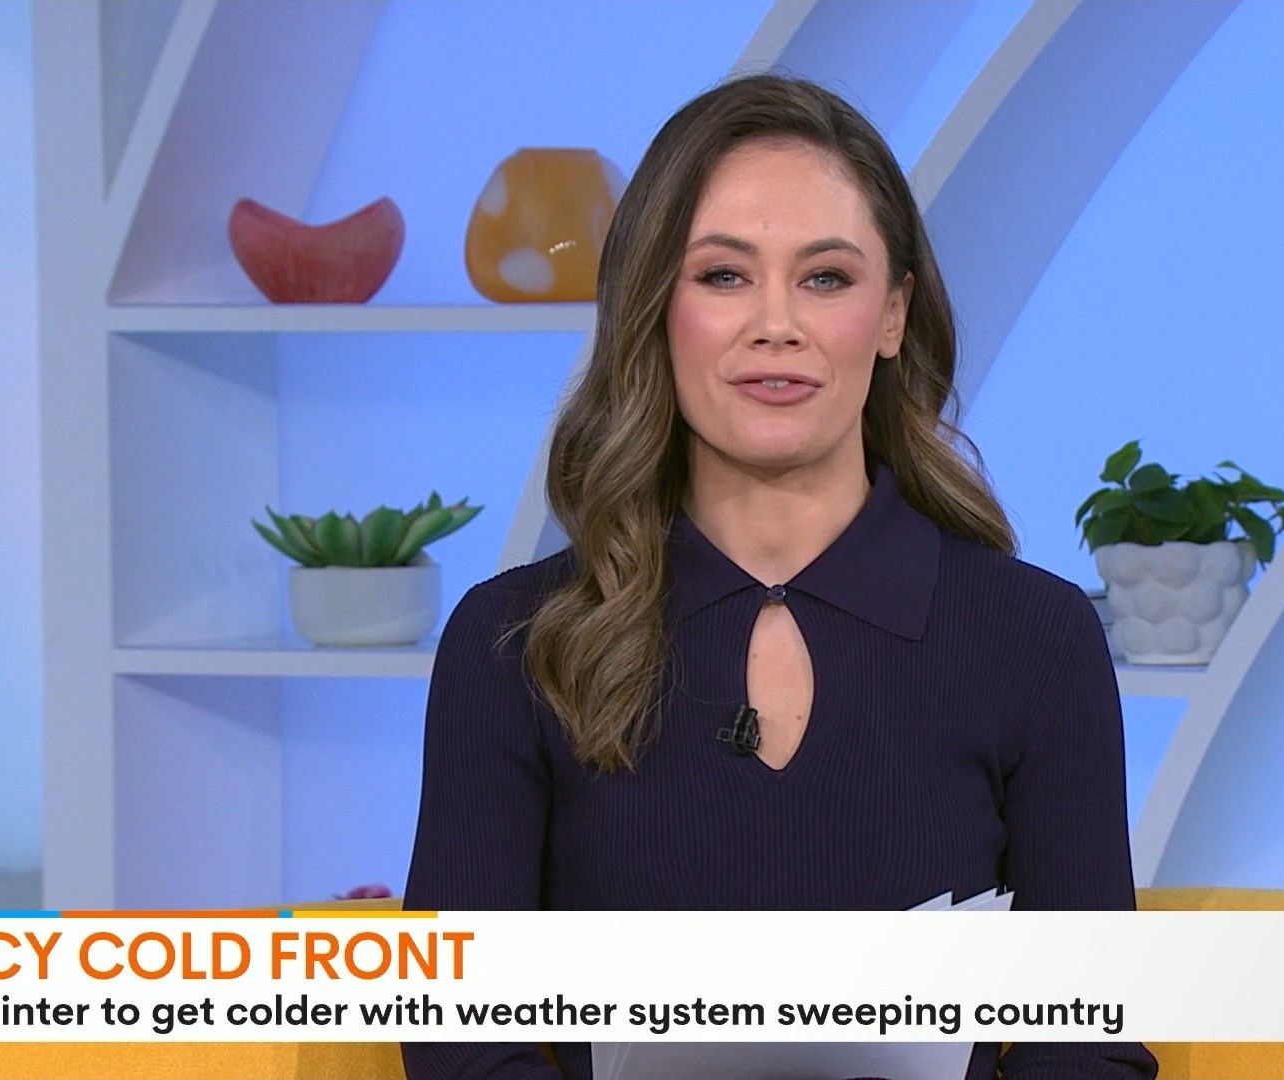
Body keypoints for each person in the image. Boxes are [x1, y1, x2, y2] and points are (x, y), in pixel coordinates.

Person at [401, 73, 1157, 1080]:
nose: (776, 324)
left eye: (826, 278)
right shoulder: (511, 643)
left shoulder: (1035, 639)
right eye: (723, 276)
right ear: (655, 309)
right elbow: (461, 1046)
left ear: (892, 316)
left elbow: (1087, 1045)